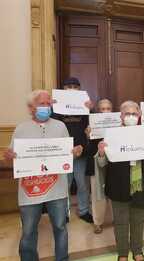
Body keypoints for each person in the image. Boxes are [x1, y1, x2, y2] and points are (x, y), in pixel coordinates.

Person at [3, 90, 82, 261]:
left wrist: (74, 152)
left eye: (48, 103)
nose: (46, 107)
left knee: (60, 227)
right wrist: (8, 157)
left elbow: (66, 155)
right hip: (29, 191)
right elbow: (11, 161)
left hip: (57, 189)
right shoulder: (21, 129)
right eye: (42, 104)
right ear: (31, 108)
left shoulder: (61, 126)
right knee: (29, 230)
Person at [97, 101, 144, 261]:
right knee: (120, 222)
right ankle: (122, 254)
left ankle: (137, 251)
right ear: (120, 116)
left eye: (134, 114)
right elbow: (102, 163)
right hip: (117, 184)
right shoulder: (112, 134)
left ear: (139, 115)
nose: (131, 117)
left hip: (139, 184)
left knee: (138, 221)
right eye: (127, 114)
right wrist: (102, 153)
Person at [52, 77, 93, 223]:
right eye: (69, 86)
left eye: (75, 86)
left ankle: (83, 211)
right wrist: (53, 108)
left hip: (80, 151)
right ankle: (64, 213)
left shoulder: (84, 106)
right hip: (63, 152)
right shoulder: (55, 107)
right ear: (63, 88)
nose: (72, 88)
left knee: (82, 183)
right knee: (65, 184)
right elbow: (52, 125)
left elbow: (90, 128)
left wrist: (91, 109)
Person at [85, 99, 113, 234]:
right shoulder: (92, 125)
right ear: (98, 110)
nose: (105, 111)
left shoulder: (118, 124)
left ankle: (117, 218)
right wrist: (88, 137)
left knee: (115, 193)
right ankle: (97, 222)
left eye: (108, 108)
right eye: (103, 109)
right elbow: (88, 150)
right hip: (96, 164)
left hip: (114, 164)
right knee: (97, 194)